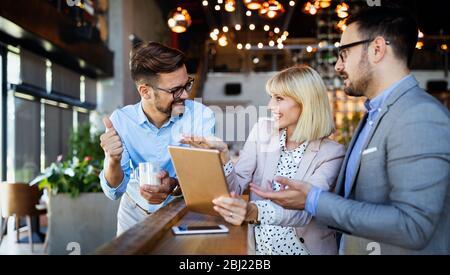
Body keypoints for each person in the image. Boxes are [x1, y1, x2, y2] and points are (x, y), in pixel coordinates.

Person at [252, 7, 450, 255]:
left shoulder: (419, 116)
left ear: (377, 49)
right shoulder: (375, 113)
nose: (337, 66)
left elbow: (413, 226)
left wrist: (314, 200)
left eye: (344, 53)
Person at [182, 65, 345, 255]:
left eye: (279, 99)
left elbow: (305, 209)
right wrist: (224, 156)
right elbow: (235, 189)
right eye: (271, 97)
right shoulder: (262, 131)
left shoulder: (332, 153)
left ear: (305, 102)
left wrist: (253, 211)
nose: (270, 106)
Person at [99, 42, 215, 235]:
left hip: (183, 210)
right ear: (145, 91)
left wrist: (173, 185)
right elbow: (115, 191)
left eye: (187, 84)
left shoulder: (201, 117)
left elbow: (202, 180)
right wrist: (113, 161)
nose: (185, 95)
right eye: (175, 90)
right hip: (133, 214)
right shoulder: (121, 120)